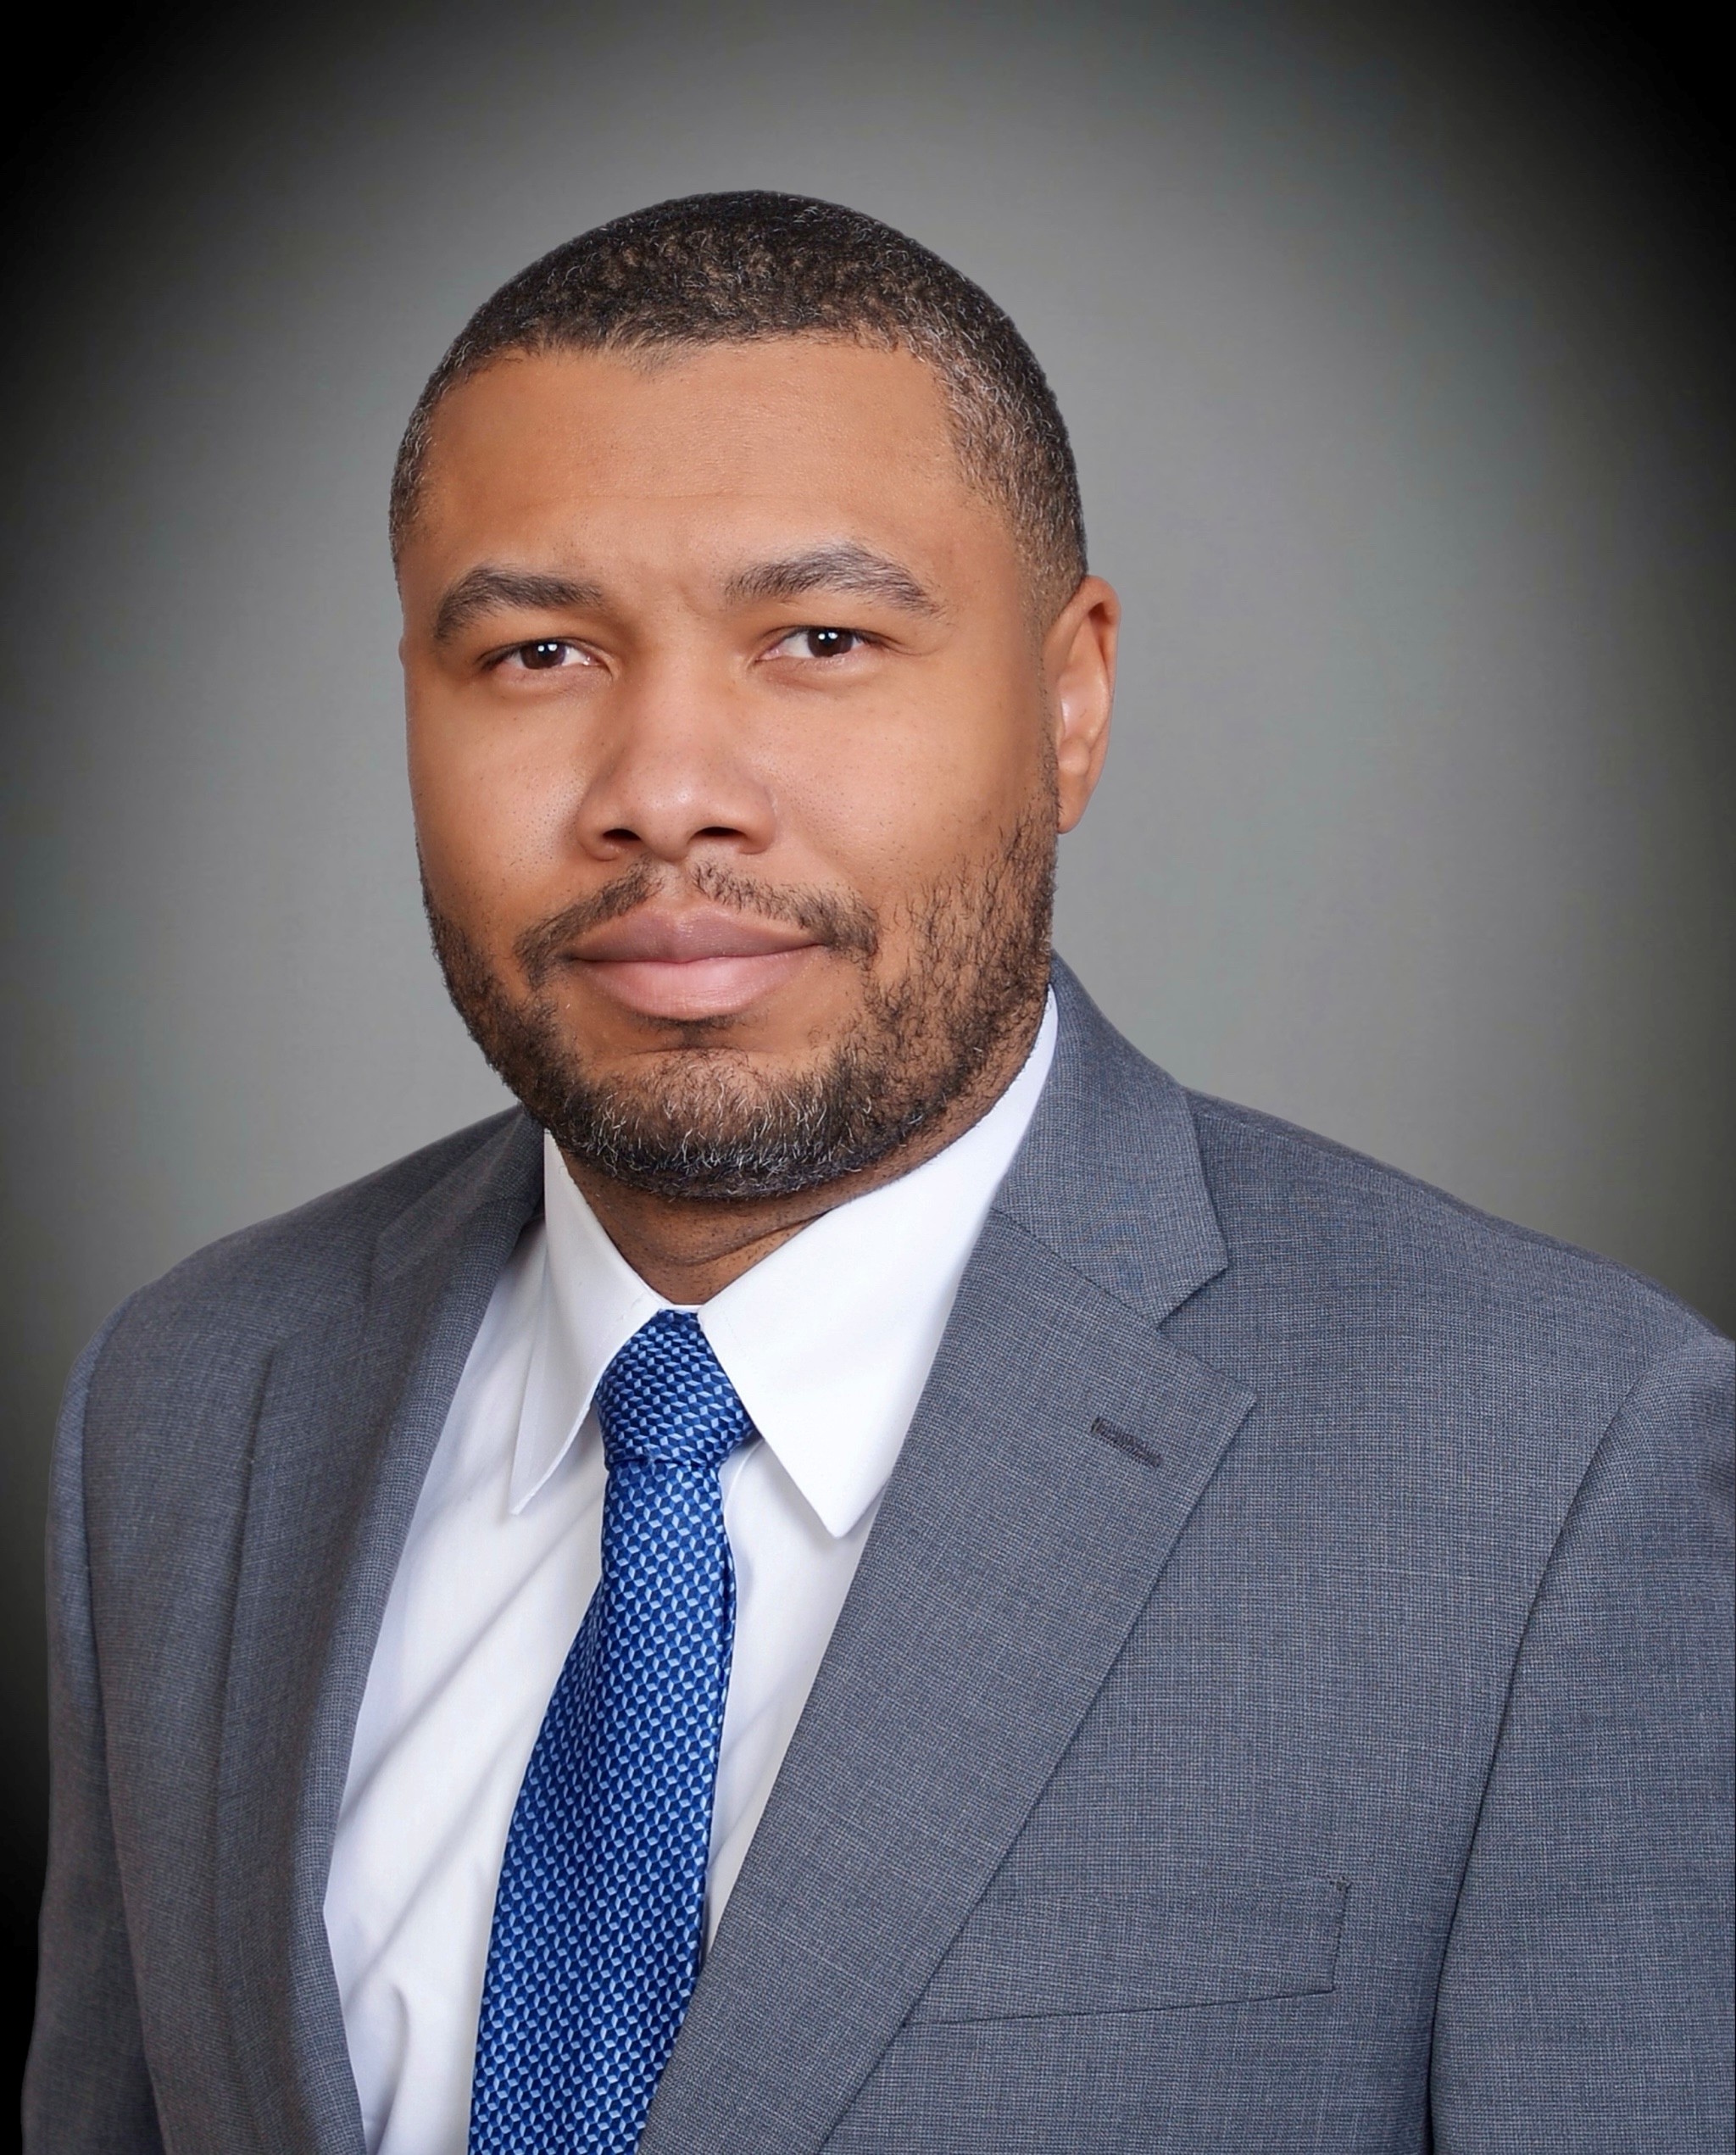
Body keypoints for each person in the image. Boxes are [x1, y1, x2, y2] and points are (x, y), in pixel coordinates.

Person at [25, 191, 1733, 2155]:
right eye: (538, 649)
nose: (665, 787)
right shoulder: (189, 1400)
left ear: (1069, 699)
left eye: (819, 639)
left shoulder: (1556, 1465)